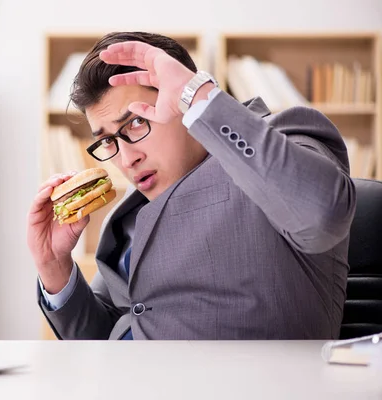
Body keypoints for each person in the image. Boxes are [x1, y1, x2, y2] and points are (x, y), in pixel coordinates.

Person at [27, 31, 356, 340]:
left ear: (180, 100)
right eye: (109, 141)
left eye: (137, 122)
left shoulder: (279, 138)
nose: (126, 159)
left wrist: (198, 94)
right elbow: (104, 339)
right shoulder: (131, 208)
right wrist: (54, 266)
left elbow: (323, 214)